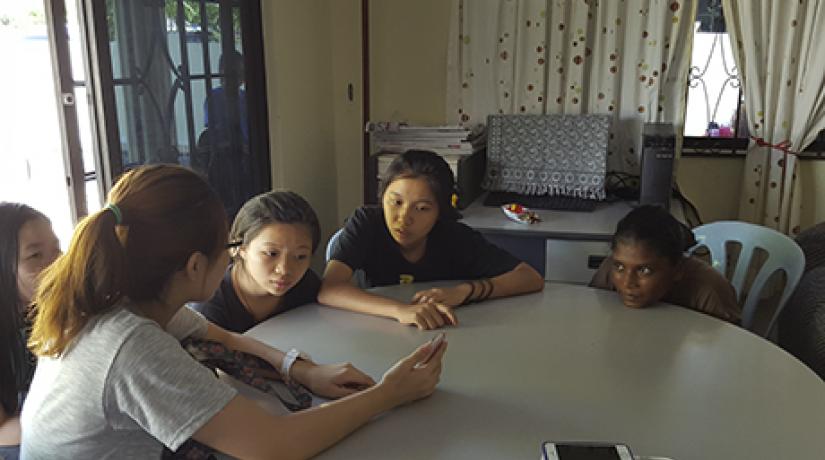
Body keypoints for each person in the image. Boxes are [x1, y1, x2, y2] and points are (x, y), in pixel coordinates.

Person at [21, 164, 446, 459]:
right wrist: (388, 393)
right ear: (194, 266)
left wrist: (304, 371)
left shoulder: (122, 301)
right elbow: (275, 445)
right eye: (227, 247)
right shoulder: (132, 345)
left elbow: (218, 338)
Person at [319, 150, 545, 330]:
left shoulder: (454, 236)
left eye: (422, 208)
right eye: (395, 202)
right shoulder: (366, 223)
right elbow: (330, 289)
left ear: (440, 211)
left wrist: (465, 291)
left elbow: (529, 278)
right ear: (382, 196)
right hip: (381, 329)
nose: (404, 218)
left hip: (449, 334)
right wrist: (401, 311)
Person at [191, 190, 321, 333]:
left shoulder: (307, 287)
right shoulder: (209, 310)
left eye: (300, 256)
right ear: (238, 247)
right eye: (272, 253)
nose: (284, 269)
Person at [589, 205, 741, 323]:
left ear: (677, 270)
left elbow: (731, 350)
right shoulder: (610, 270)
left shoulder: (709, 291)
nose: (628, 283)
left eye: (644, 270)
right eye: (620, 267)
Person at [0, 203, 60, 460]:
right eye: (35, 256)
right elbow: (2, 432)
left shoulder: (49, 312)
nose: (56, 265)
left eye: (57, 250)